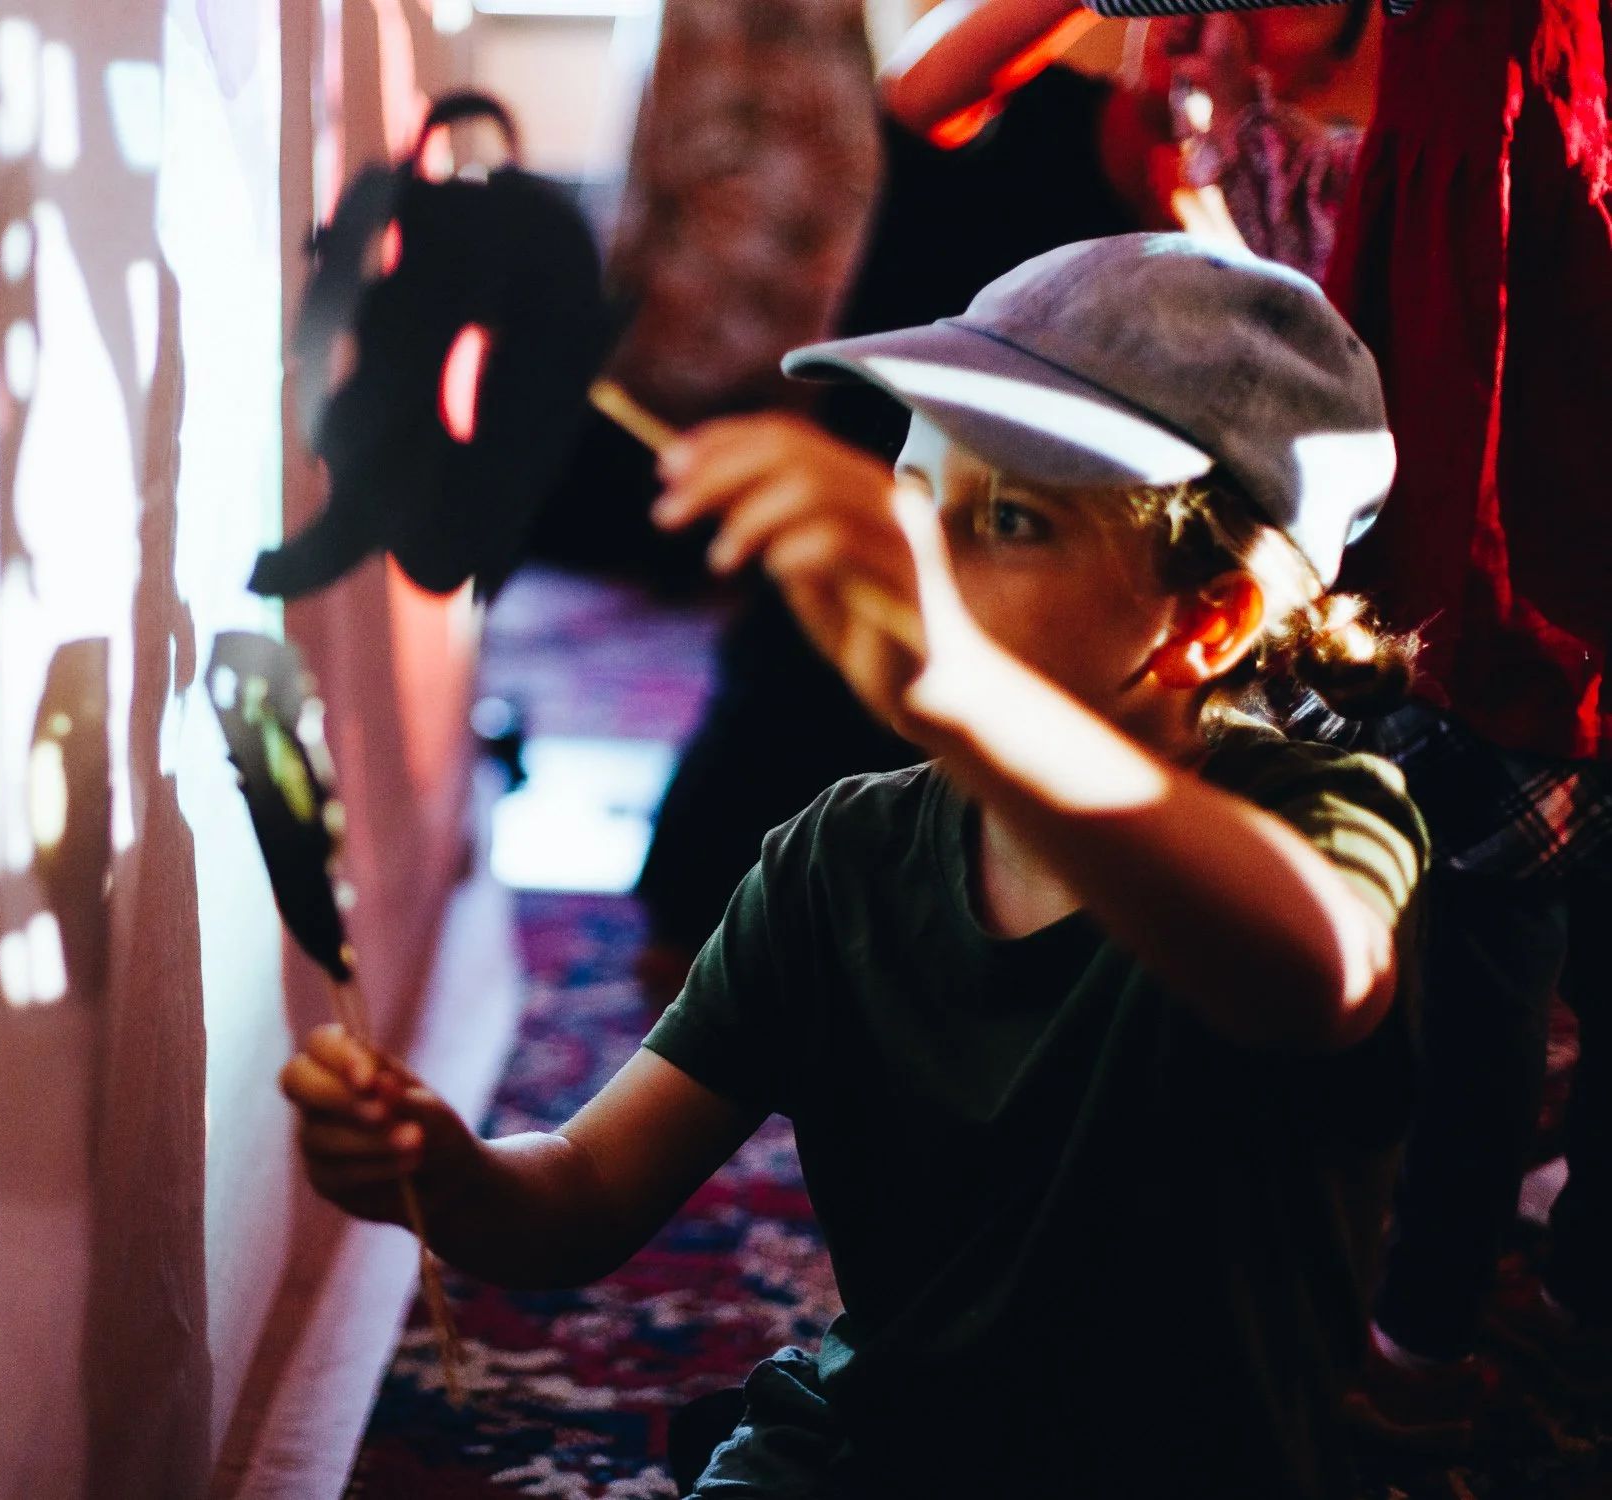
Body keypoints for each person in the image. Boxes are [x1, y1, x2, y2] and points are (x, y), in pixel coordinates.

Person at [285, 234, 1425, 1496]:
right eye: (908, 496)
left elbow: (1313, 972)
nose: (912, 556)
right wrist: (454, 1180)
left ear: (1206, 620)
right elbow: (587, 1191)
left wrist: (963, 686)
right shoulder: (843, 855)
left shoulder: (1319, 822)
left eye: (1008, 520)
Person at [634, 0, 1376, 987]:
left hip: (1064, 682)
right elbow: (919, 90)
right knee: (737, 876)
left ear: (1334, 63)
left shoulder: (1283, 242)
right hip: (826, 628)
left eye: (1286, 9)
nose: (1220, 23)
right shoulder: (1036, 120)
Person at [1310, 0, 1612, 1444]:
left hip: (1521, 564)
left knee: (1492, 962)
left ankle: (1424, 1333)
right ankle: (1578, 1293)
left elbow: (1464, 320)